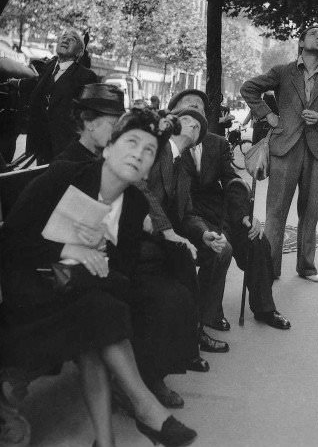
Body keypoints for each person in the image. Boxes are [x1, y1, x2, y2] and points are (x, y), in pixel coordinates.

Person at [0, 109, 197, 447]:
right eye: (131, 143)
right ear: (108, 148)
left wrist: (100, 266)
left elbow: (124, 272)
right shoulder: (66, 175)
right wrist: (68, 250)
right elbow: (11, 241)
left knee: (98, 314)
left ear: (150, 166)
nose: (139, 154)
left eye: (149, 151)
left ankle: (107, 442)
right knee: (99, 314)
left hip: (82, 295)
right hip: (30, 296)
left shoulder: (134, 204)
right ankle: (145, 408)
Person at [55, 90, 208, 405]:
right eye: (111, 123)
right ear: (86, 122)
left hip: (118, 254)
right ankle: (142, 385)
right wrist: (157, 228)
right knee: (162, 295)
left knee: (176, 285)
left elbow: (136, 195)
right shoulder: (73, 162)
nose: (116, 130)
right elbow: (69, 233)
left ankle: (156, 373)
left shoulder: (116, 154)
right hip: (86, 261)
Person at [169, 89, 290, 330]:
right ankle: (211, 313)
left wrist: (245, 215)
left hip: (221, 212)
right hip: (187, 217)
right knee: (219, 248)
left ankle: (265, 308)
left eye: (200, 110)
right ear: (173, 115)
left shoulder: (217, 143)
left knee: (257, 242)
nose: (195, 115)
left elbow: (232, 182)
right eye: (188, 109)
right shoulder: (167, 147)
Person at [241, 25, 318, 282]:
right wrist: (268, 115)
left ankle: (307, 267)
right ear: (301, 42)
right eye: (313, 33)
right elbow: (249, 88)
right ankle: (270, 268)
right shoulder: (284, 71)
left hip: (315, 150)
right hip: (284, 147)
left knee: (310, 210)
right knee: (276, 211)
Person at [145, 102, 231, 353]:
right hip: (142, 232)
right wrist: (168, 232)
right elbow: (143, 190)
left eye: (199, 125)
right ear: (174, 124)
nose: (195, 124)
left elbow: (188, 212)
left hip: (167, 235)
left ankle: (195, 330)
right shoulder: (156, 149)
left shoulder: (182, 168)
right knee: (181, 265)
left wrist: (204, 234)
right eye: (188, 120)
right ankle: (189, 340)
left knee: (217, 251)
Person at [15, 32, 97, 164]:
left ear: (80, 52)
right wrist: (16, 83)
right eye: (63, 37)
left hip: (62, 148)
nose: (66, 39)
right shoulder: (49, 67)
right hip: (38, 143)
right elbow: (37, 83)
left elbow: (88, 115)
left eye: (72, 39)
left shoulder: (86, 76)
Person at [55, 83, 126, 163]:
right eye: (113, 124)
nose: (118, 132)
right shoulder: (67, 166)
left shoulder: (108, 159)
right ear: (89, 122)